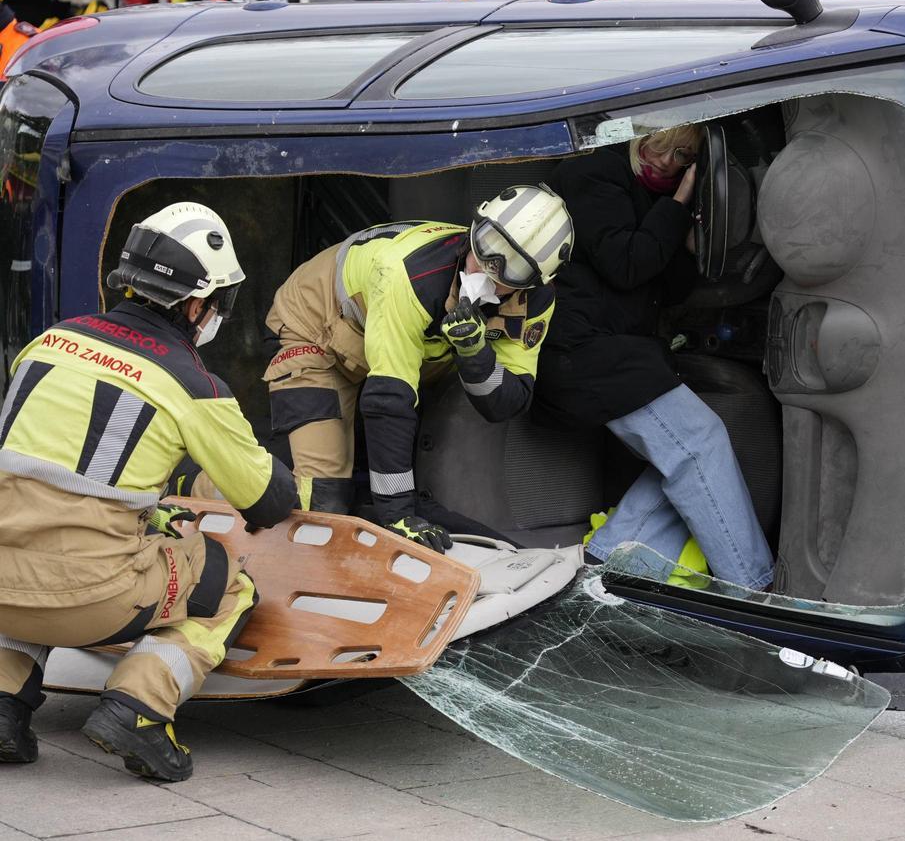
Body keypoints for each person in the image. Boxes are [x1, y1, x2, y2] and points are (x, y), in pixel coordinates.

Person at [0, 202, 297, 781]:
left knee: (24, 560)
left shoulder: (48, 343)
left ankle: (5, 705)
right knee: (225, 580)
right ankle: (139, 706)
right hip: (92, 601)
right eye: (219, 302)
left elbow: (56, 474)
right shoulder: (194, 384)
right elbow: (268, 501)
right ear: (197, 304)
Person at [263, 185, 573, 552]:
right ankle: (211, 488)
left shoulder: (535, 303)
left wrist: (474, 352)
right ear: (477, 225)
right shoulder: (410, 274)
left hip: (409, 346)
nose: (487, 268)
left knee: (403, 487)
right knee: (321, 499)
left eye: (513, 267)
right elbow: (388, 400)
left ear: (537, 281)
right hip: (319, 328)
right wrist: (397, 515)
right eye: (488, 244)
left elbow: (506, 403)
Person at [535, 126, 775, 590]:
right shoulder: (592, 172)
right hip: (576, 350)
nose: (665, 161)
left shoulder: (652, 195)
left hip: (611, 353)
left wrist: (685, 240)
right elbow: (627, 265)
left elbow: (670, 289)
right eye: (658, 146)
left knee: (686, 459)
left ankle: (609, 564)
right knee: (700, 442)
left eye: (682, 155)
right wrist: (678, 203)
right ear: (637, 134)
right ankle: (753, 589)